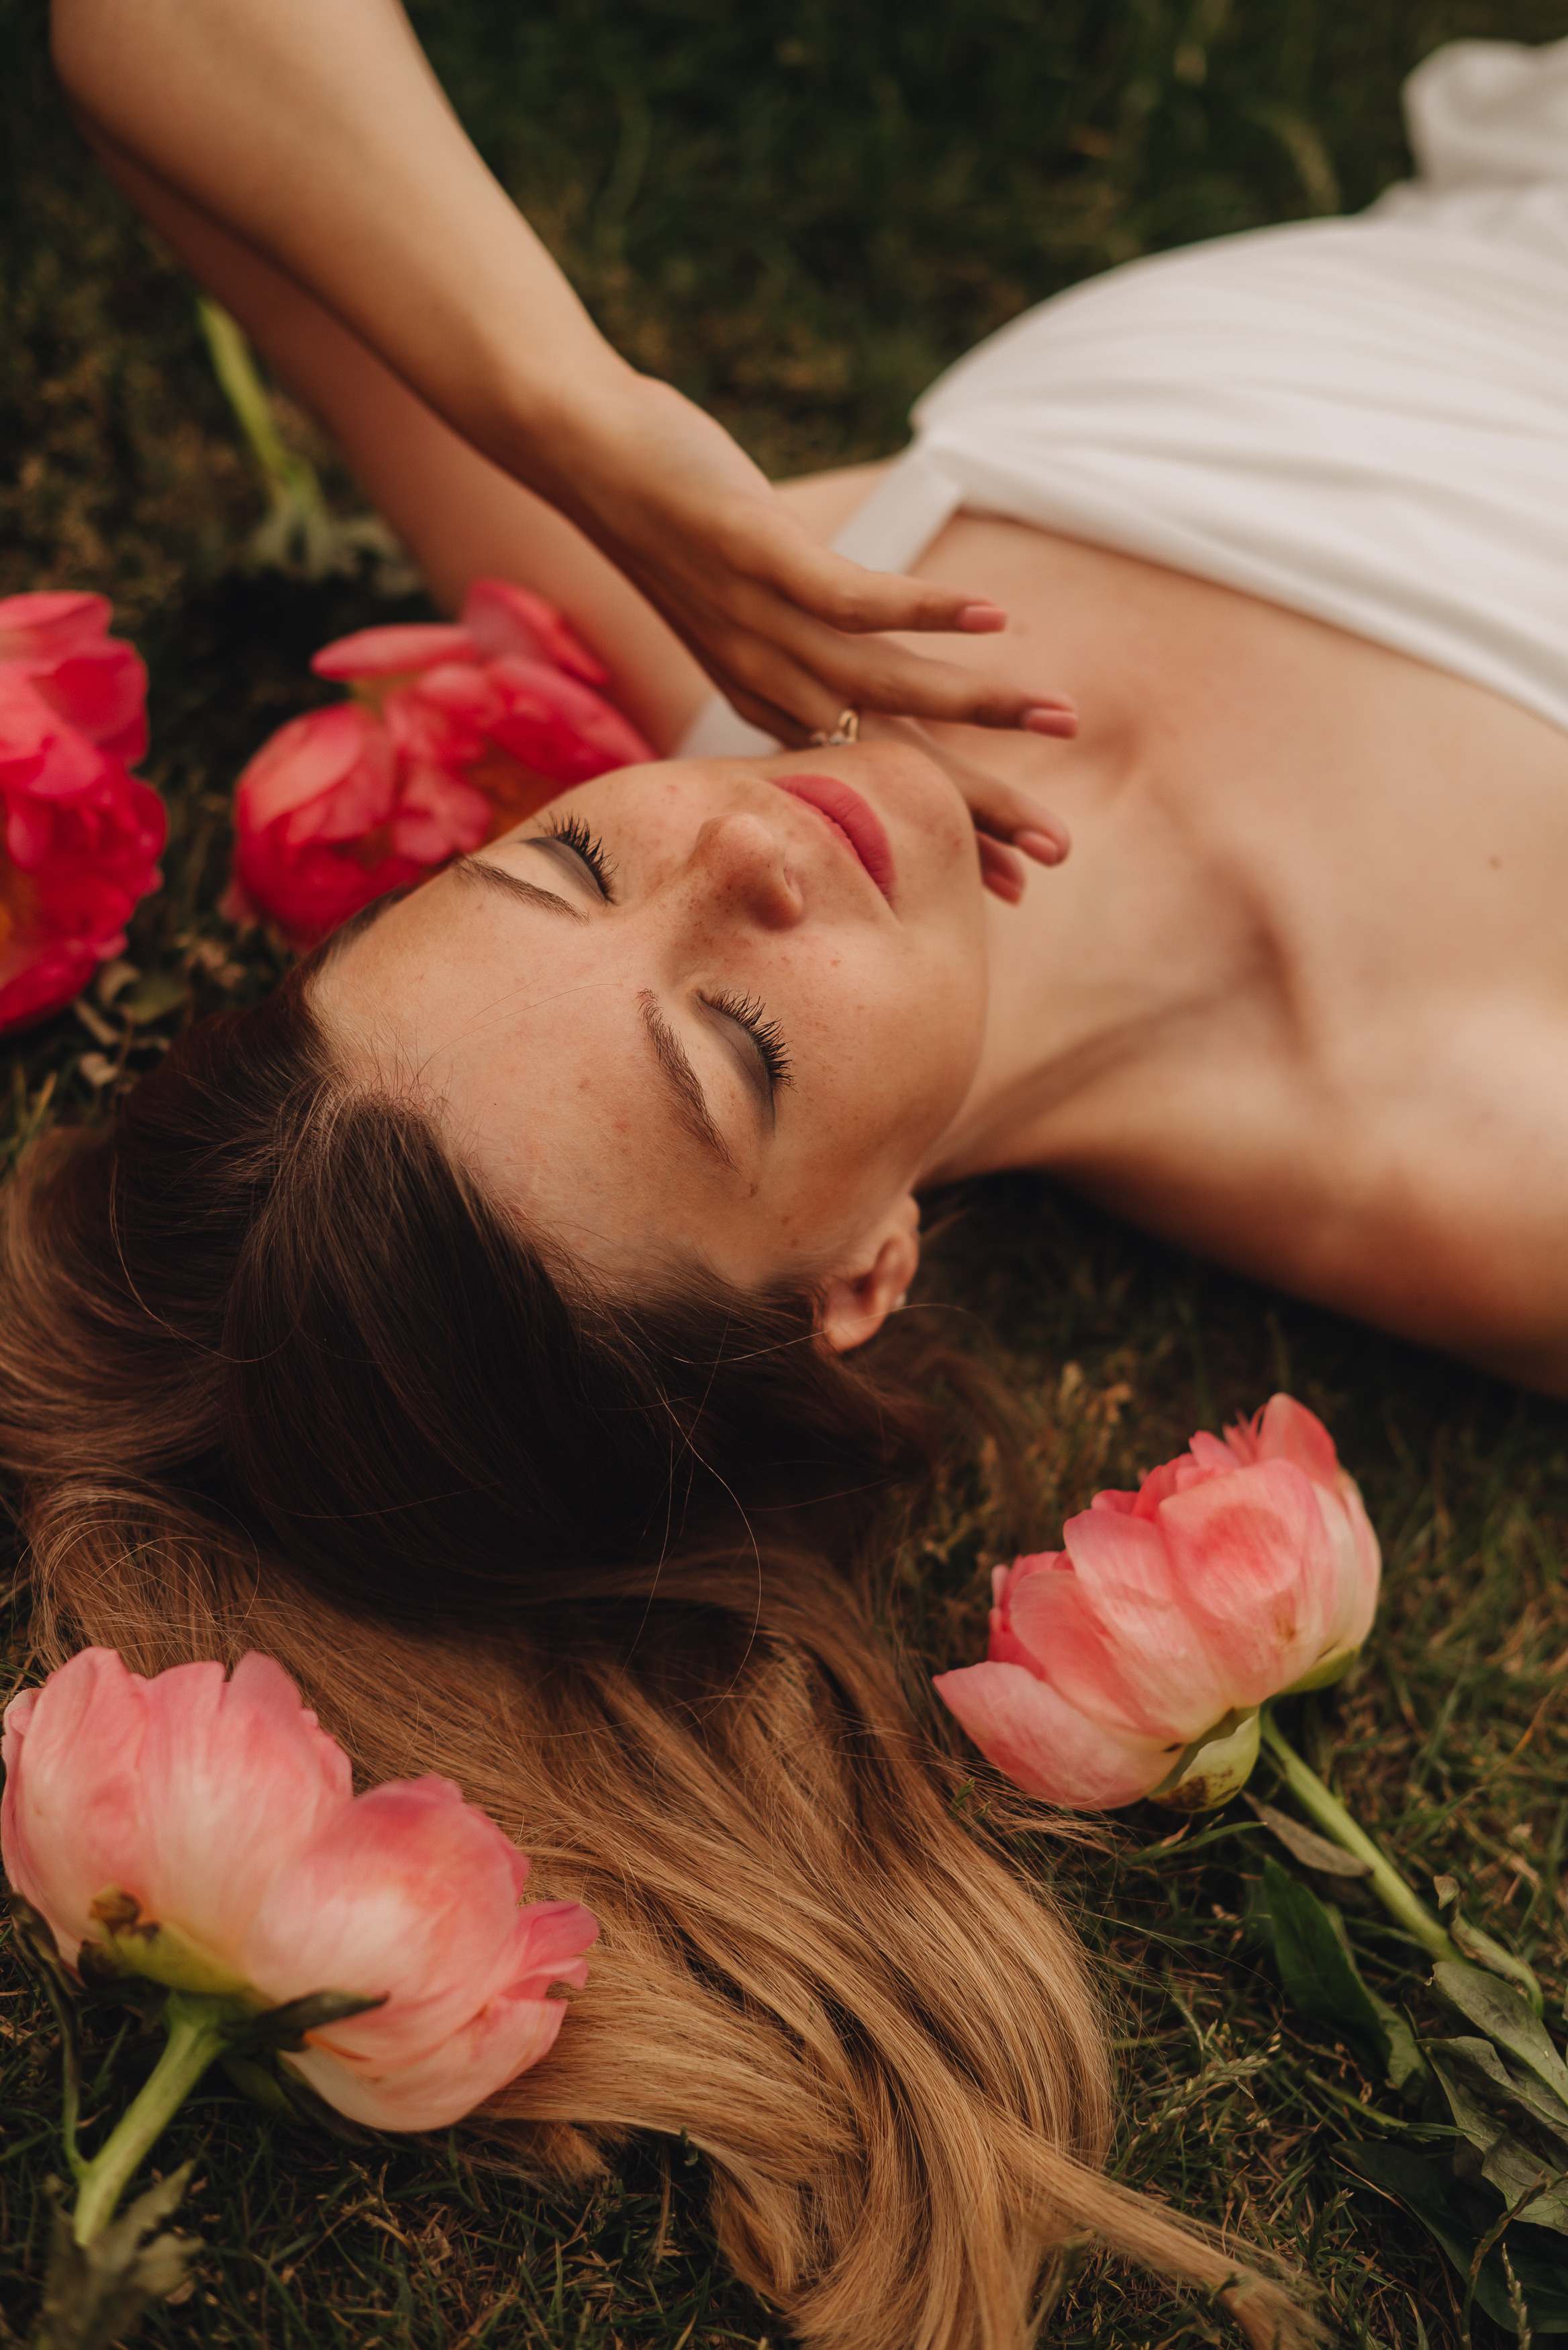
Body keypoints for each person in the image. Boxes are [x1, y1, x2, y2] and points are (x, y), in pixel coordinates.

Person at [8, 5, 1568, 2341]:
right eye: (733, 1051)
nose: (737, 835)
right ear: (856, 1275)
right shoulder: (1454, 1129)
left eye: (556, 864)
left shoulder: (722, 626)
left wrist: (568, 405)